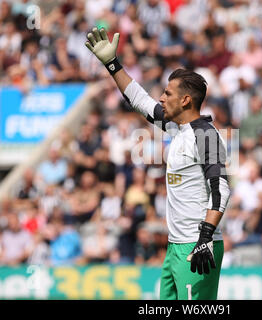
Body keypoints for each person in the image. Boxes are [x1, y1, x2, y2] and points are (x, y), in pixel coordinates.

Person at [85, 27, 230, 300]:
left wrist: (205, 238)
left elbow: (221, 189)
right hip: (176, 246)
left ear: (185, 100)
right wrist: (112, 64)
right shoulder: (178, 129)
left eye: (168, 93)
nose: (161, 98)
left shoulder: (206, 134)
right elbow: (140, 101)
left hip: (196, 246)